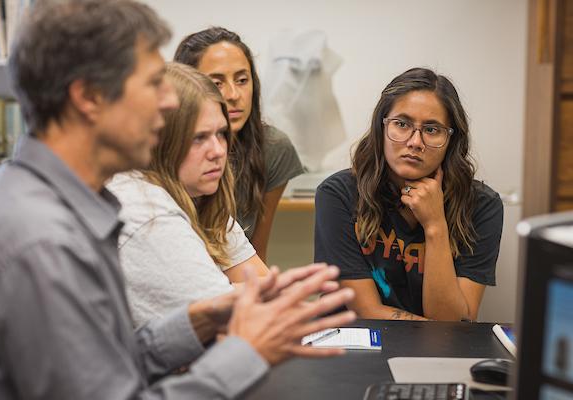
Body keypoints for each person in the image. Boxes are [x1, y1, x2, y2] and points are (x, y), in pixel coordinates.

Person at [0, 1, 356, 399]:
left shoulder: (60, 205)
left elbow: (103, 367)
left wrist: (196, 320)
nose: (170, 102)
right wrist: (246, 353)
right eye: (153, 83)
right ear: (89, 97)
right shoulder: (42, 239)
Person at [314, 68, 503, 321]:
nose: (415, 142)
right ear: (381, 127)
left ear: (451, 140)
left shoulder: (482, 205)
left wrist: (435, 225)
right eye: (402, 124)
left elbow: (452, 322)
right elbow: (367, 311)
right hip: (354, 345)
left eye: (432, 129)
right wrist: (436, 329)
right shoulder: (338, 194)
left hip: (436, 351)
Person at [108, 63, 269, 326]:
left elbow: (266, 290)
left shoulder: (201, 200)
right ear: (159, 142)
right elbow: (226, 317)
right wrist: (238, 294)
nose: (218, 151)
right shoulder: (144, 209)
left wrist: (238, 294)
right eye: (199, 138)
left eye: (221, 134)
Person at [174, 27, 305, 262]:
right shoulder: (155, 150)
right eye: (217, 82)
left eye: (242, 80)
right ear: (187, 86)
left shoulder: (273, 148)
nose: (234, 94)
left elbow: (255, 253)